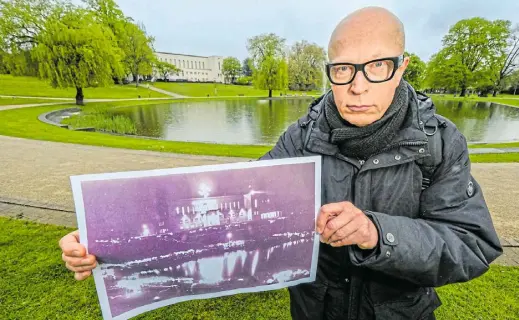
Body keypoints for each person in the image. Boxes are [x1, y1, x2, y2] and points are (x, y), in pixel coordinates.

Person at [59, 6, 503, 319]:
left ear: (402, 67)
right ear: (329, 69)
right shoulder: (301, 137)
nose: (357, 87)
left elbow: (472, 245)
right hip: (314, 311)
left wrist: (376, 233)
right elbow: (229, 209)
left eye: (377, 67)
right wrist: (108, 241)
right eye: (343, 69)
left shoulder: (440, 142)